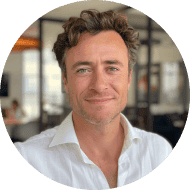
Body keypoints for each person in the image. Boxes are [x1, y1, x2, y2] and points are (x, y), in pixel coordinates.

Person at [14, 10, 172, 189]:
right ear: (65, 81)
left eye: (112, 68)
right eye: (83, 70)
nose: (99, 85)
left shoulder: (159, 152)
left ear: (129, 79)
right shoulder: (27, 160)